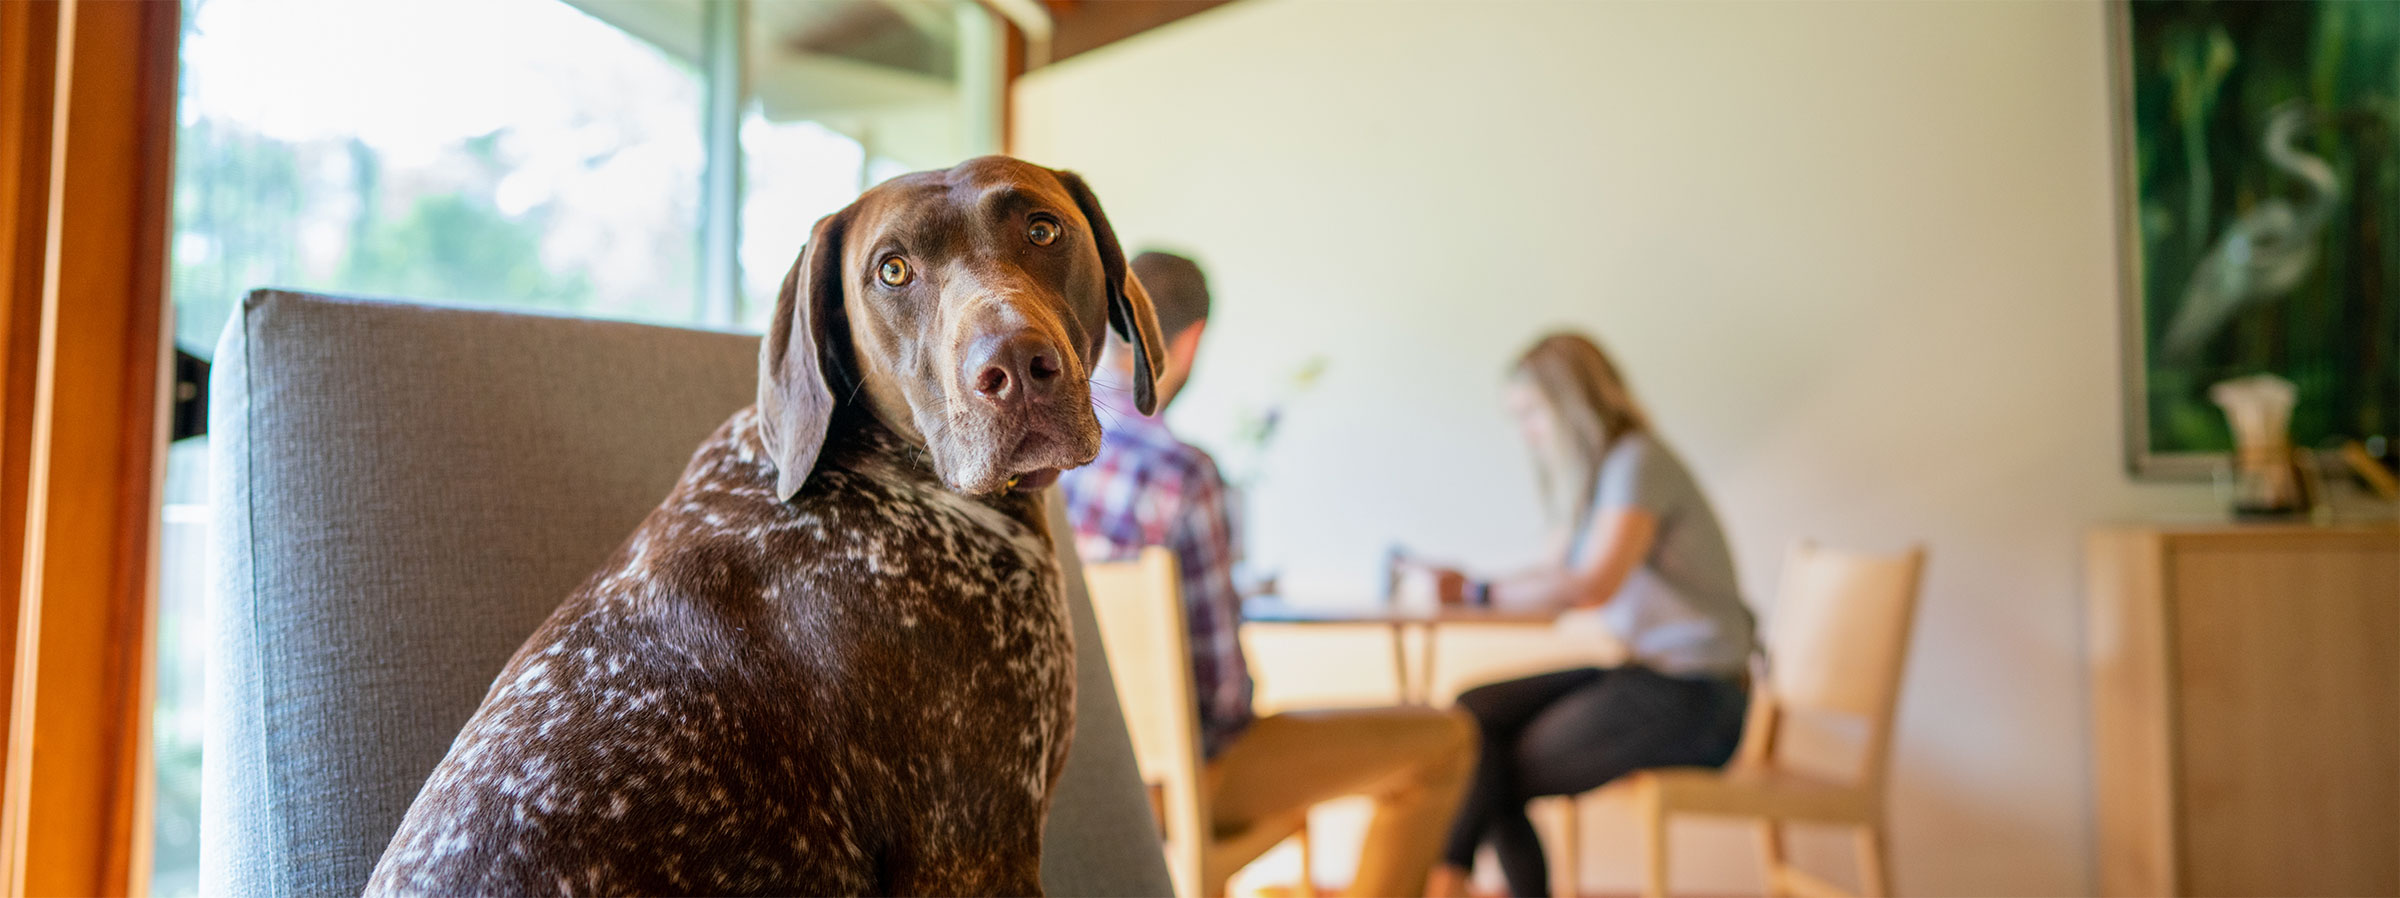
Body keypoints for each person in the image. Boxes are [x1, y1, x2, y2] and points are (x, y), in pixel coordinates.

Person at [1060, 251, 1477, 898]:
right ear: (1190, 341)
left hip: (1071, 783)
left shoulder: (1042, 460)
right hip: (1173, 789)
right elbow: (1224, 702)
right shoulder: (1183, 476)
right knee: (1445, 741)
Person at [1413, 333, 1757, 898]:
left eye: (1531, 413)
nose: (1527, 433)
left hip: (1697, 698)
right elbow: (1556, 575)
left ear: (1570, 404)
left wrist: (1478, 591)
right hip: (1649, 673)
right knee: (1474, 713)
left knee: (1485, 768)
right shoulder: (1601, 478)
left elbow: (1591, 585)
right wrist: (1472, 586)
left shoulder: (1638, 462)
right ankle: (1450, 878)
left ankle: (1445, 880)